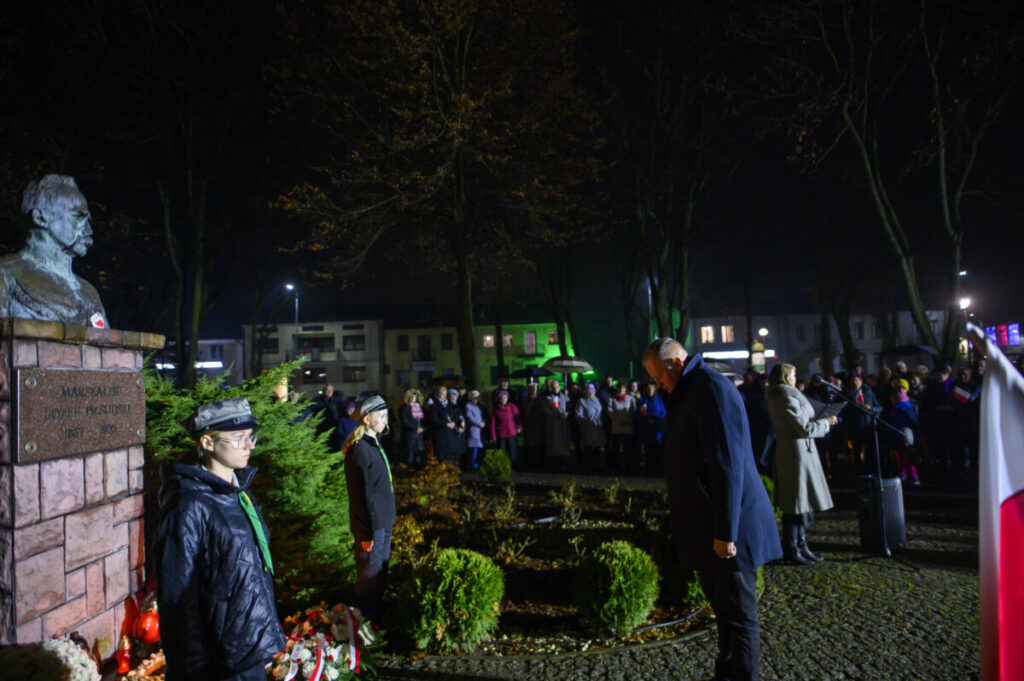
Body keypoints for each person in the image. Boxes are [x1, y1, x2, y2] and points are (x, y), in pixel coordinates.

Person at [643, 338, 781, 681]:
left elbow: (727, 464)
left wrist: (725, 533)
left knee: (740, 618)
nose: (658, 385)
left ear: (676, 363)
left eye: (659, 377)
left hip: (730, 529)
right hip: (711, 525)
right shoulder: (691, 389)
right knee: (726, 615)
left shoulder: (710, 388)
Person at [155, 398, 285, 681]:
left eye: (250, 436)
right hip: (220, 665)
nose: (249, 445)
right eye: (238, 437)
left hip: (247, 653)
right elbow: (178, 600)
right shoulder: (188, 507)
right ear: (207, 443)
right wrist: (190, 672)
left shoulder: (239, 493)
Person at [0, 174, 108, 326]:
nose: (89, 230)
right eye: (78, 216)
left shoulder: (88, 292)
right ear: (40, 218)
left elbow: (107, 339)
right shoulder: (5, 273)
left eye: (88, 220)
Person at [766, 363, 837, 566]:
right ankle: (792, 547)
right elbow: (803, 428)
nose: (796, 378)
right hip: (796, 453)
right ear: (786, 377)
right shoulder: (786, 397)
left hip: (797, 451)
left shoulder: (782, 396)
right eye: (794, 375)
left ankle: (800, 544)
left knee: (800, 502)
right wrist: (826, 423)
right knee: (795, 502)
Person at [343, 395, 396, 621]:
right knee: (369, 576)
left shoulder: (373, 444)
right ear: (366, 419)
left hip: (383, 520)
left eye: (386, 416)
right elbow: (360, 495)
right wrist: (365, 533)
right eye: (381, 416)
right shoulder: (360, 450)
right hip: (372, 527)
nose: (385, 421)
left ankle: (377, 621)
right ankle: (365, 624)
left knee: (380, 572)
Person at [606, 381, 637, 474]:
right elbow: (610, 411)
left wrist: (628, 420)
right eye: (619, 387)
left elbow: (633, 411)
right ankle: (616, 466)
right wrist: (618, 420)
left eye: (623, 387)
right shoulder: (612, 398)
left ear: (625, 389)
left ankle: (627, 466)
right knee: (616, 448)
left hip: (627, 426)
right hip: (617, 426)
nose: (621, 389)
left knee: (627, 448)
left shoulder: (630, 398)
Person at [573, 383, 606, 472]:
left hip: (597, 427)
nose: (590, 393)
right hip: (588, 428)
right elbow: (578, 415)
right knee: (588, 448)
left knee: (597, 447)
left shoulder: (597, 400)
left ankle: (597, 465)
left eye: (592, 391)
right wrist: (586, 422)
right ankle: (588, 465)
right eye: (588, 391)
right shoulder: (582, 401)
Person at [636, 382, 666, 476]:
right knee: (648, 450)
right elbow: (640, 413)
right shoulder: (642, 400)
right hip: (647, 429)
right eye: (648, 388)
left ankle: (659, 470)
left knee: (658, 450)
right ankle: (649, 470)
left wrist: (656, 419)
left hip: (657, 428)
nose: (650, 390)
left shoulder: (659, 399)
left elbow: (663, 412)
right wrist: (648, 419)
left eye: (651, 388)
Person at [543, 378, 572, 470]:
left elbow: (569, 409)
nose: (555, 389)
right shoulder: (548, 398)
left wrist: (564, 415)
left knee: (563, 443)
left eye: (557, 387)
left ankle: (563, 463)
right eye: (553, 387)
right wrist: (553, 414)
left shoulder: (565, 398)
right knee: (554, 443)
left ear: (559, 387)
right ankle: (554, 463)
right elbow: (546, 409)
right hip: (553, 423)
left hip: (562, 423)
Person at [488, 390, 522, 465]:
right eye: (501, 398)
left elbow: (518, 418)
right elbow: (492, 424)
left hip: (512, 433)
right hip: (501, 434)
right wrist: (493, 436)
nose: (503, 400)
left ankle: (513, 466)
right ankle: (503, 467)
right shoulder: (496, 409)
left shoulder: (512, 407)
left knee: (513, 452)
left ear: (507, 398)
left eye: (505, 398)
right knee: (501, 453)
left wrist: (519, 427)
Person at [398, 389, 426, 466]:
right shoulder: (404, 408)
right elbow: (404, 421)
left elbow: (425, 420)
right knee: (409, 457)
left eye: (414, 396)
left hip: (420, 437)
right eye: (411, 396)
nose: (413, 398)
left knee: (419, 456)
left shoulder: (420, 408)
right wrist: (415, 428)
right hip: (409, 436)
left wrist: (423, 428)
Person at [464, 390, 487, 469]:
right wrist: (479, 423)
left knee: (482, 447)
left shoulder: (482, 405)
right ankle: (473, 465)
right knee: (474, 448)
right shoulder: (468, 406)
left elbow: (485, 415)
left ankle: (480, 464)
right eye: (474, 397)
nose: (476, 399)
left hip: (482, 430)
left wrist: (484, 422)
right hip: (474, 429)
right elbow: (469, 417)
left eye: (477, 397)